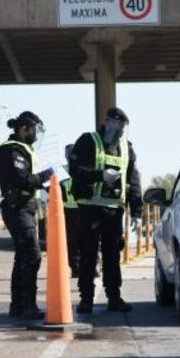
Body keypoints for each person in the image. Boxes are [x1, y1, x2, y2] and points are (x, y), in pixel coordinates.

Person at [70, 107, 142, 314]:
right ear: (107, 122)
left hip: (113, 211)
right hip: (90, 208)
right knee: (88, 255)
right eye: (116, 125)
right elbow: (75, 170)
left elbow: (133, 179)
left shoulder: (127, 148)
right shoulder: (88, 141)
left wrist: (136, 208)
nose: (119, 130)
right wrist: (100, 175)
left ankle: (114, 297)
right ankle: (86, 299)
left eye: (122, 127)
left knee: (112, 256)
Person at [0, 111, 53, 319]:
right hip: (16, 207)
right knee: (32, 255)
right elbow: (22, 179)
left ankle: (17, 305)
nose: (36, 135)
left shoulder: (25, 149)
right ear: (24, 128)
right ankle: (28, 305)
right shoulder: (11, 150)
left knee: (22, 256)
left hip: (26, 207)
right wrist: (48, 175)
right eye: (34, 130)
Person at [60, 144, 80, 277]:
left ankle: (78, 268)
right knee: (76, 242)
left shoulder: (62, 171)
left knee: (74, 242)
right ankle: (77, 268)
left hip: (73, 210)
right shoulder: (62, 171)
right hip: (74, 209)